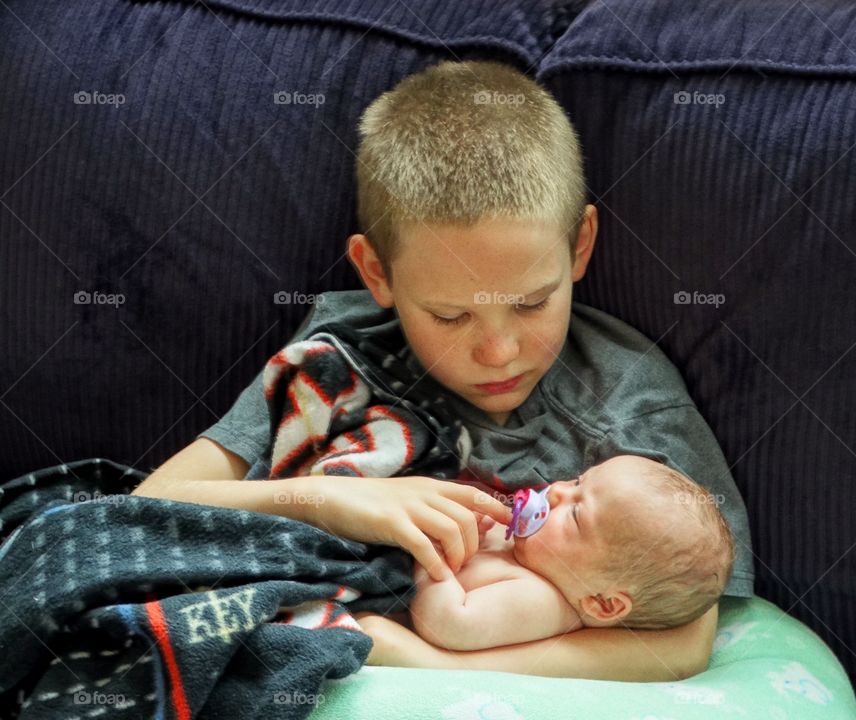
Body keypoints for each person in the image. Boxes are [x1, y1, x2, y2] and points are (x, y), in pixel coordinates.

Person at [132, 59, 754, 681]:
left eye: (532, 303)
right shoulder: (339, 352)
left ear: (579, 246)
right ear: (377, 273)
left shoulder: (630, 400)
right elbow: (151, 504)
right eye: (452, 316)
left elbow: (683, 642)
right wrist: (342, 502)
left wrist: (433, 665)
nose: (499, 352)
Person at [407, 455, 735, 651]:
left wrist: (436, 552)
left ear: (603, 604)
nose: (557, 491)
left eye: (576, 514)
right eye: (578, 481)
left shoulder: (543, 600)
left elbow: (448, 624)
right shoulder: (533, 553)